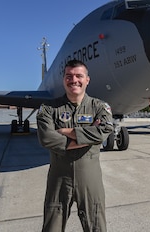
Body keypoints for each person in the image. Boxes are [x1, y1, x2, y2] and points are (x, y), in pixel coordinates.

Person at [36, 59, 113, 232]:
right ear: (63, 79)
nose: (74, 80)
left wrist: (66, 131)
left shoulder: (99, 107)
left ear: (87, 79)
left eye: (79, 76)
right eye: (69, 76)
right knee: (52, 225)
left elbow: (105, 130)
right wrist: (88, 136)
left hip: (90, 177)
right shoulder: (48, 108)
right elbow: (46, 138)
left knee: (96, 225)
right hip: (59, 176)